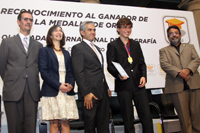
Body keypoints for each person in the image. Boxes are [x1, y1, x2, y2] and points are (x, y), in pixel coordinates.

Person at [107, 18, 154, 133]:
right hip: (123, 86)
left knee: (146, 117)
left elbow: (142, 63)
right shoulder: (112, 45)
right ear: (118, 29)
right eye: (124, 27)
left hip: (139, 85)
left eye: (129, 27)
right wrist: (118, 75)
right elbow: (110, 66)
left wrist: (143, 76)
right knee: (128, 118)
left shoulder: (135, 44)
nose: (127, 30)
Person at [0, 10, 43, 133]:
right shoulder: (7, 42)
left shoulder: (38, 45)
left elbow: (38, 67)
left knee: (30, 128)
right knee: (14, 127)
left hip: (32, 91)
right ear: (19, 22)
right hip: (13, 90)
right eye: (25, 19)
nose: (28, 22)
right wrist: (12, 80)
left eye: (30, 20)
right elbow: (2, 67)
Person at [71, 21, 111, 133]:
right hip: (90, 93)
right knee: (90, 126)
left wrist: (106, 87)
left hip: (102, 91)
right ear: (82, 32)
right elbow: (78, 72)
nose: (93, 32)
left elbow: (100, 70)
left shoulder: (97, 48)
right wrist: (86, 93)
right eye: (90, 30)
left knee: (104, 125)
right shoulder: (78, 48)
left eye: (94, 30)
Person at [159, 25, 200, 133]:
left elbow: (196, 59)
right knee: (183, 117)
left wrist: (188, 70)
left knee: (197, 114)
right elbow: (164, 64)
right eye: (171, 34)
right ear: (168, 37)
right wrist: (181, 73)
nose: (174, 35)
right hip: (176, 87)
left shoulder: (190, 47)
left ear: (180, 35)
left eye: (176, 33)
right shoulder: (164, 51)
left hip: (194, 85)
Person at [38, 25, 79, 133]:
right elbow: (44, 72)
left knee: (65, 122)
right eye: (56, 30)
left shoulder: (66, 53)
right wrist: (58, 85)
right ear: (50, 35)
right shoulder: (44, 51)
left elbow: (70, 71)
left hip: (66, 91)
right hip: (52, 90)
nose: (59, 32)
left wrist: (70, 85)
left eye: (60, 31)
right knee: (54, 123)